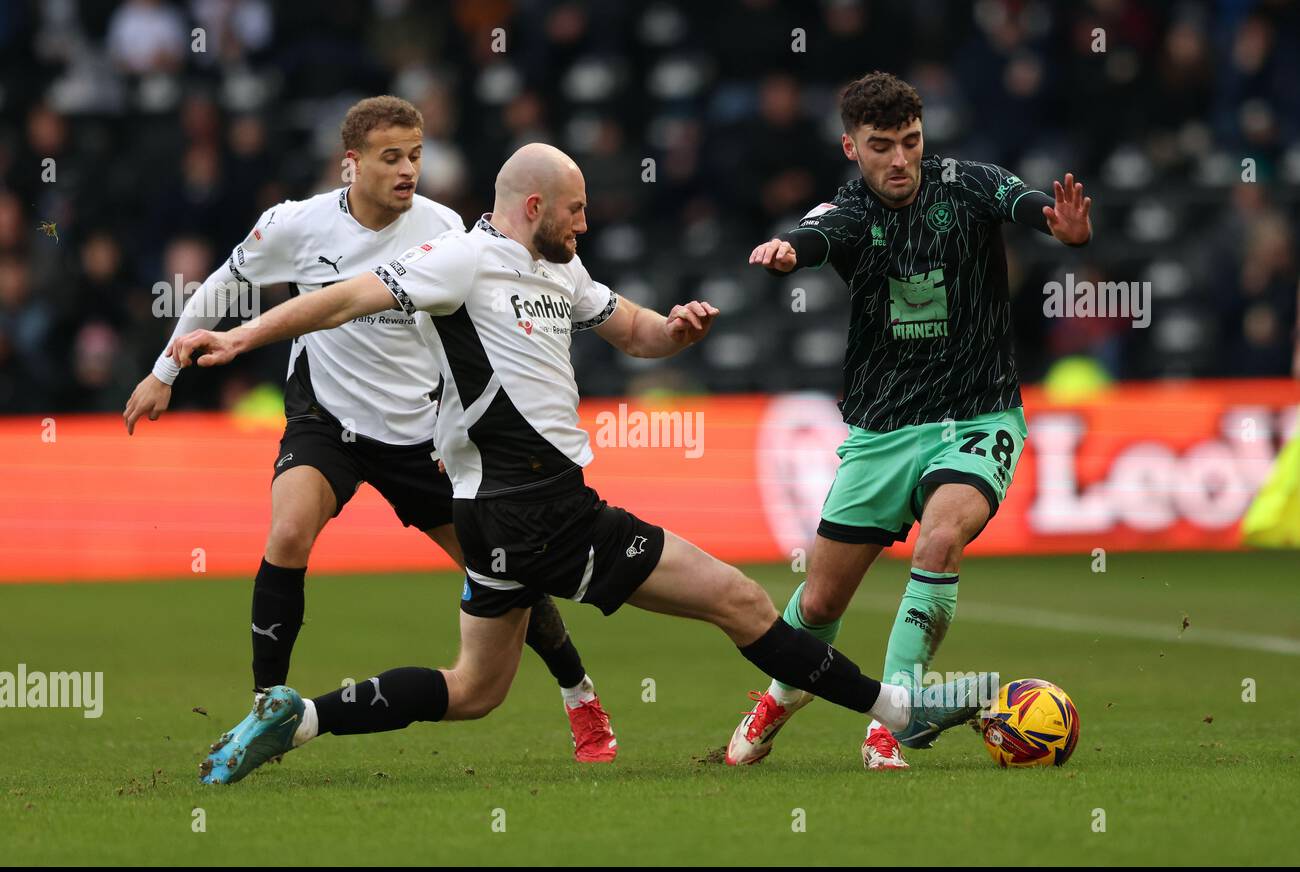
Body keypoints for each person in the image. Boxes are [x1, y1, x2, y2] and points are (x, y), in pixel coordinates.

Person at [170, 142, 990, 785]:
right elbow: (347, 295)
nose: (585, 224)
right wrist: (243, 337)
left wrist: (676, 331)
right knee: (738, 598)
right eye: (576, 210)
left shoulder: (556, 266)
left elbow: (632, 330)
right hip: (541, 505)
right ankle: (898, 707)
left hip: (498, 513)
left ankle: (299, 717)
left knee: (475, 690)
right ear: (535, 207)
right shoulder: (464, 258)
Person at [125, 96, 618, 763]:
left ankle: (579, 693)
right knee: (289, 529)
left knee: (501, 568)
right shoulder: (296, 224)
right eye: (391, 158)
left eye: (415, 155)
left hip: (421, 432)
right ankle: (268, 707)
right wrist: (164, 371)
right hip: (325, 418)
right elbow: (222, 283)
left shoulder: (449, 232)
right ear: (350, 163)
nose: (408, 169)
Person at [727, 71, 1093, 770]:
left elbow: (1030, 207)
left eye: (911, 142)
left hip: (977, 416)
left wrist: (1063, 225)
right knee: (823, 599)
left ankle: (887, 723)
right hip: (883, 430)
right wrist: (784, 255)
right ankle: (779, 695)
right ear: (850, 148)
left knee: (940, 540)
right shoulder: (847, 213)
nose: (900, 160)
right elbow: (811, 237)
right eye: (881, 146)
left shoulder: (969, 184)